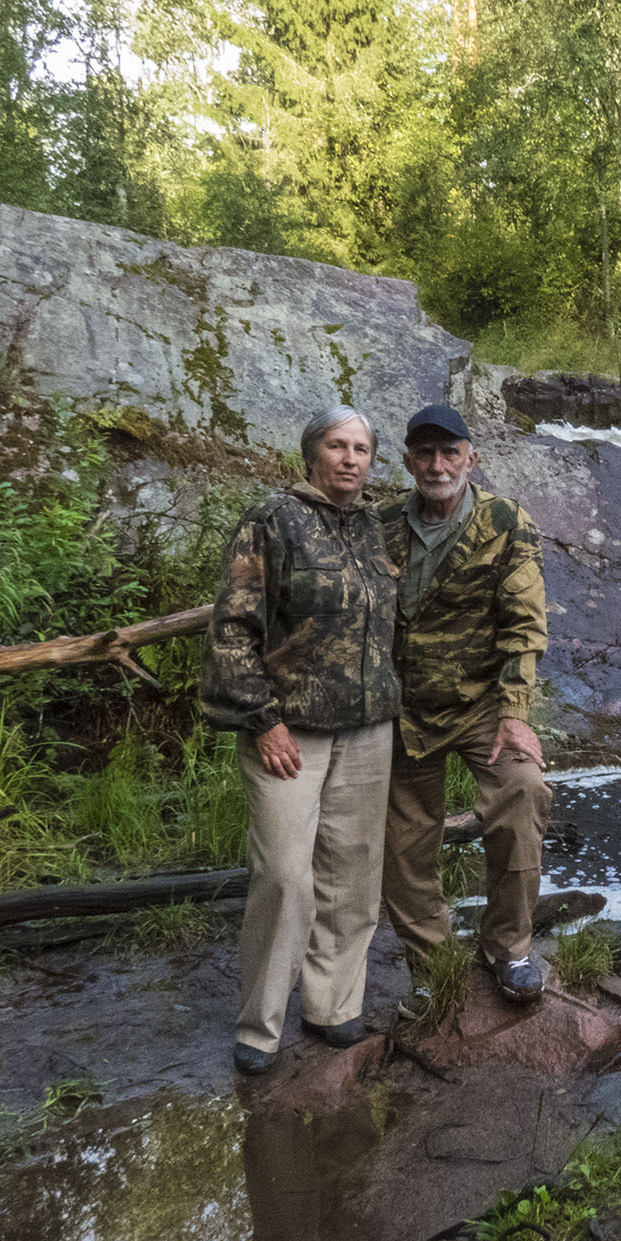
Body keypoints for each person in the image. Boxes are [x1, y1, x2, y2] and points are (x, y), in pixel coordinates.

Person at [203, 404, 400, 1076]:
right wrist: (262, 718)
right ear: (312, 453)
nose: (351, 459)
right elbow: (232, 628)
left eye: (363, 448)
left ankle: (332, 1004)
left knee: (353, 874)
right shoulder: (272, 520)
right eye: (339, 447)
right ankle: (260, 1025)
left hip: (369, 727)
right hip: (288, 732)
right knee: (285, 876)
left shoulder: (377, 525)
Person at [380, 403, 551, 1007]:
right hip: (403, 711)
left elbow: (524, 625)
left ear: (471, 457)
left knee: (522, 792)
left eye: (449, 451)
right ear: (406, 460)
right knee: (403, 843)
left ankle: (509, 948)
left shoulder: (506, 521)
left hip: (484, 706)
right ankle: (431, 966)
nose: (436, 464)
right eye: (424, 453)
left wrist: (514, 713)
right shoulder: (379, 524)